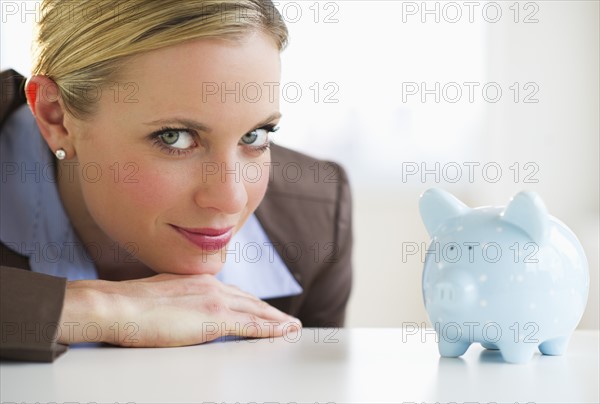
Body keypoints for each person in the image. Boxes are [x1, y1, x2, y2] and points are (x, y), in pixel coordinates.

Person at [0, 0, 352, 362]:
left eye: (255, 135)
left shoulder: (316, 218)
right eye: (175, 138)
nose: (231, 199)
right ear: (56, 117)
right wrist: (92, 308)